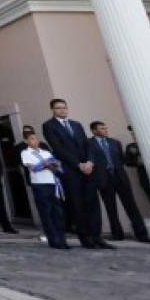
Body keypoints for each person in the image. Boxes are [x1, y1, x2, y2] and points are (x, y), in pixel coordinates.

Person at [42, 98, 110, 249]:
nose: (62, 110)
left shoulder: (76, 124)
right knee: (78, 205)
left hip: (88, 169)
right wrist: (78, 164)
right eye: (59, 108)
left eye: (64, 107)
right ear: (52, 110)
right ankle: (85, 238)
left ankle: (97, 236)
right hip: (71, 171)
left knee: (93, 204)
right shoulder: (49, 126)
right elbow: (58, 148)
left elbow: (88, 145)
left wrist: (90, 162)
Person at [88, 121, 150, 242]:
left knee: (131, 206)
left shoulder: (115, 143)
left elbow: (122, 160)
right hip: (104, 179)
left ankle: (142, 235)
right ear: (94, 130)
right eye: (102, 128)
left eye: (106, 127)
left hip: (120, 178)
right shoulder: (88, 143)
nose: (105, 130)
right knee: (111, 208)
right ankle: (117, 235)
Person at [20, 130, 69, 250]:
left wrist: (47, 164)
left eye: (36, 138)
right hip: (40, 184)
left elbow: (57, 166)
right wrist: (47, 164)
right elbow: (33, 167)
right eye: (31, 139)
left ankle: (62, 239)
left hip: (53, 183)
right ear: (26, 140)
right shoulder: (26, 153)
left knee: (57, 212)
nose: (35, 141)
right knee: (46, 213)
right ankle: (54, 240)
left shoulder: (46, 152)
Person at [125, 126, 150, 213]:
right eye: (133, 134)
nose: (134, 135)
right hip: (145, 177)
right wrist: (137, 161)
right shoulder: (131, 146)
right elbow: (127, 162)